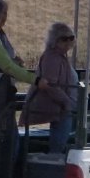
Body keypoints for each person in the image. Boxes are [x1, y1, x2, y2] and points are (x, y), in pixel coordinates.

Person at [21, 22, 79, 154]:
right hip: (59, 109)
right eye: (64, 39)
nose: (68, 41)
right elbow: (50, 85)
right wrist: (67, 103)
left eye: (71, 37)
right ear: (55, 40)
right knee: (58, 145)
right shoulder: (52, 57)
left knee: (62, 142)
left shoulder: (61, 57)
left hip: (62, 109)